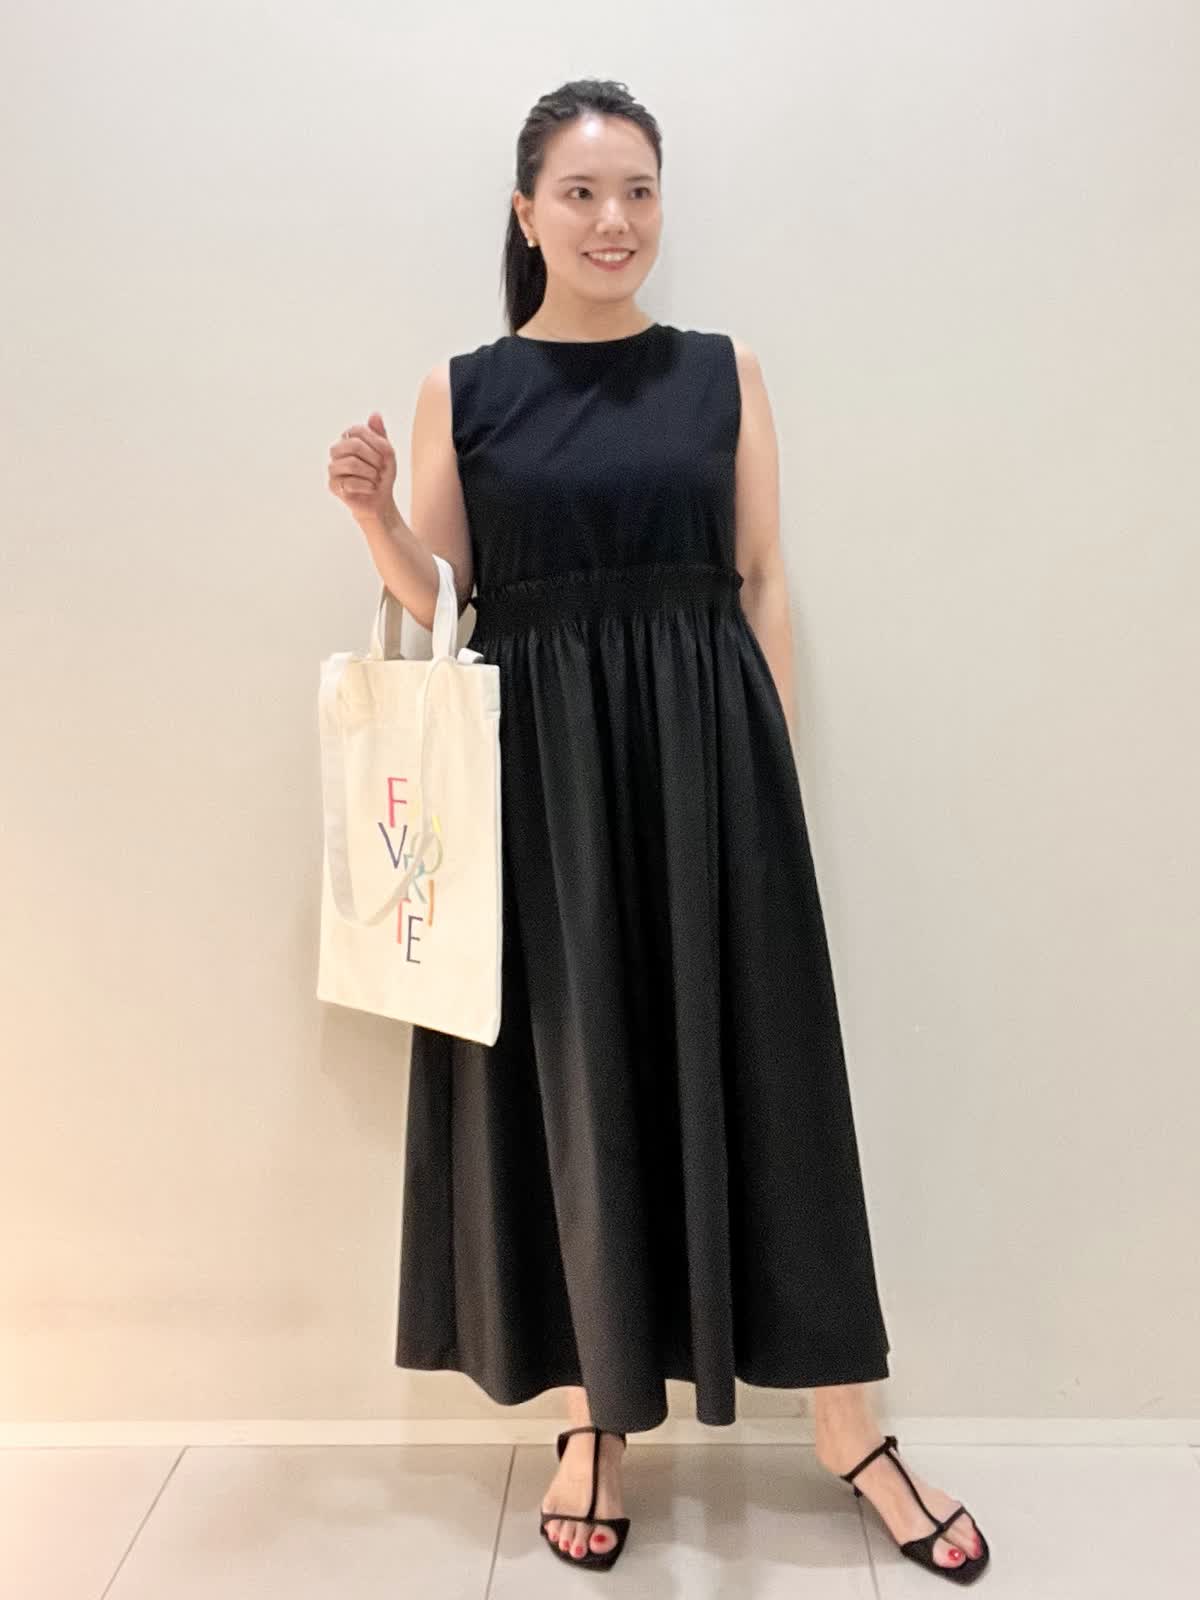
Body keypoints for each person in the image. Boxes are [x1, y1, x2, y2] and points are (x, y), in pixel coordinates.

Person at [327, 77, 990, 1585]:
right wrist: (373, 519)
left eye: (636, 190)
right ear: (527, 214)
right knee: (579, 1094)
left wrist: (770, 778)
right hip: (539, 784)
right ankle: (595, 1419)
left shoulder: (722, 373)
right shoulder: (463, 390)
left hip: (711, 763)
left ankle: (849, 1426)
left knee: (772, 1083)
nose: (612, 219)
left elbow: (764, 579)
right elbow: (445, 602)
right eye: (580, 192)